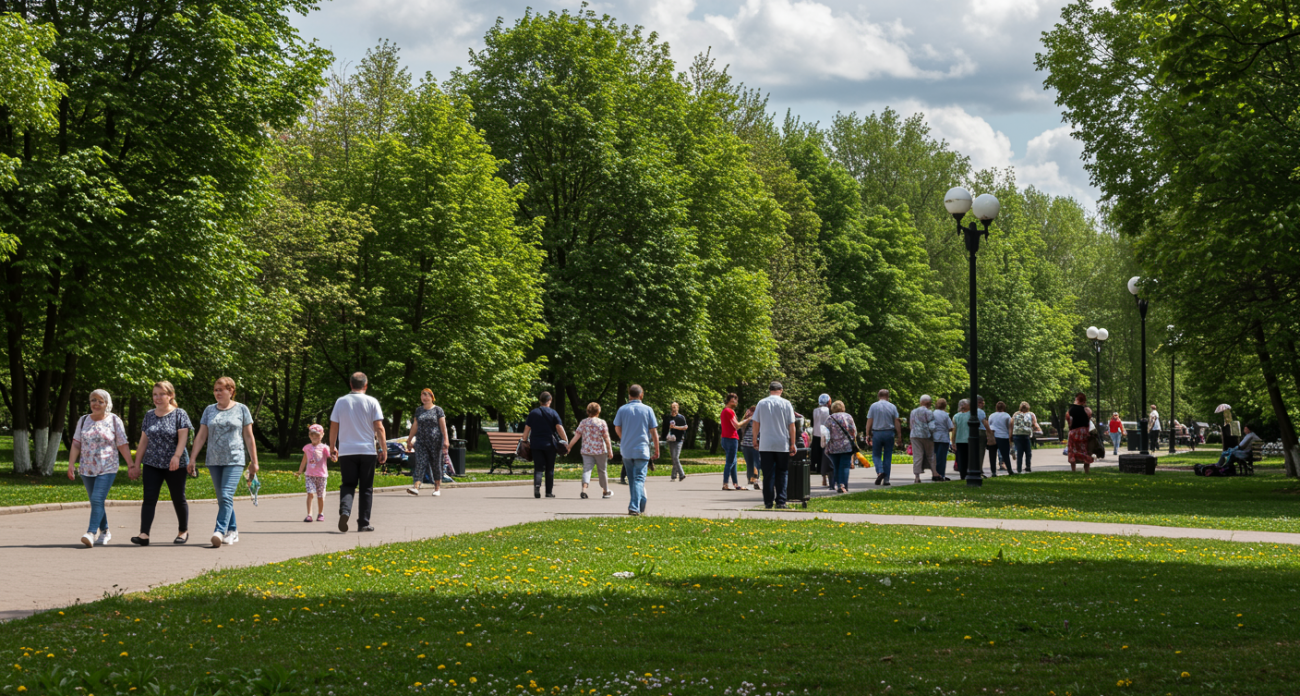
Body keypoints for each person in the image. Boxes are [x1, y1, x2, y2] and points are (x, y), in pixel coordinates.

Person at [189, 377, 260, 547]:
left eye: (221, 389)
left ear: (231, 391)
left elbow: (249, 437)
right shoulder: (209, 410)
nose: (218, 393)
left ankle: (219, 531)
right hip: (213, 460)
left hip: (235, 459)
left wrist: (254, 462)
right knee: (222, 498)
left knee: (226, 494)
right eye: (215, 390)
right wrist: (192, 458)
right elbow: (201, 435)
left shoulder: (242, 409)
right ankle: (233, 530)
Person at [131, 381, 194, 545]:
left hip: (175, 464)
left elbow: (183, 438)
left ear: (170, 395)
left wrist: (176, 456)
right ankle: (144, 534)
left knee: (178, 498)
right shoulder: (149, 415)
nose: (157, 398)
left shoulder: (179, 414)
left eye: (161, 394)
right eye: (154, 394)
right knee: (149, 498)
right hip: (152, 463)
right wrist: (136, 464)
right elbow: (143, 441)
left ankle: (183, 531)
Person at [67, 390, 132, 547]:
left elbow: (122, 444)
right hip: (87, 468)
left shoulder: (114, 420)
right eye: (93, 400)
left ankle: (90, 532)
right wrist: (71, 464)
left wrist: (131, 464)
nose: (95, 404)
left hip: (107, 467)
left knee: (97, 499)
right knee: (96, 501)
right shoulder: (83, 420)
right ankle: (105, 531)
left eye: (100, 401)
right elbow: (76, 443)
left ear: (107, 403)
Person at [328, 372, 386, 533]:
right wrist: (383, 449)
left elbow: (334, 426)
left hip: (347, 452)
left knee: (348, 484)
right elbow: (379, 428)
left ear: (350, 384)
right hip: (367, 451)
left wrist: (332, 447)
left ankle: (345, 511)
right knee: (366, 488)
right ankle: (363, 523)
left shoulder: (341, 402)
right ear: (366, 385)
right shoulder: (372, 401)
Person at [613, 384, 659, 515]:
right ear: (641, 395)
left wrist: (624, 437)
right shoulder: (648, 410)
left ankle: (641, 502)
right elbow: (654, 432)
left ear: (629, 395)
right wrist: (657, 449)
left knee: (633, 480)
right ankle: (634, 507)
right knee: (639, 479)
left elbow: (617, 427)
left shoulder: (622, 409)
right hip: (642, 449)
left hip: (627, 450)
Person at [753, 381, 796, 508]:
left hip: (766, 444)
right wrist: (792, 443)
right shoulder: (786, 403)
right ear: (781, 390)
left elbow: (756, 422)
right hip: (781, 443)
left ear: (769, 389)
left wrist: (755, 439)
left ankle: (768, 502)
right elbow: (791, 425)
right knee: (782, 472)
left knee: (768, 474)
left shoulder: (761, 403)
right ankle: (781, 501)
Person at [521, 392, 567, 499]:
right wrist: (565, 440)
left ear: (540, 400)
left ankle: (537, 488)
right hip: (550, 445)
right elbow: (559, 428)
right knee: (549, 468)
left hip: (536, 445)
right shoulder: (553, 413)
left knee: (538, 467)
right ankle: (548, 492)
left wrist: (524, 440)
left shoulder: (533, 413)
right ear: (550, 400)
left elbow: (527, 428)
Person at [404, 389, 449, 497]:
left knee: (436, 464)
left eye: (427, 396)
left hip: (435, 441)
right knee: (420, 463)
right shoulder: (419, 410)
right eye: (422, 396)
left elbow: (443, 427)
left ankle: (437, 487)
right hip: (421, 441)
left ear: (431, 397)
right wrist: (409, 439)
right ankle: (416, 487)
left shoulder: (438, 410)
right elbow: (415, 425)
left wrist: (446, 440)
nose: (424, 398)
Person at [570, 402, 614, 499]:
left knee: (587, 470)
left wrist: (569, 446)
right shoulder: (602, 422)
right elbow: (607, 438)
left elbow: (576, 436)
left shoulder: (583, 422)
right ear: (599, 411)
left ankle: (584, 490)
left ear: (587, 411)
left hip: (586, 451)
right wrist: (610, 450)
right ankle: (605, 491)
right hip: (600, 451)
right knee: (602, 471)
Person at [295, 424, 335, 521]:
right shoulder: (307, 448)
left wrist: (334, 457)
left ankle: (320, 513)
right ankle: (309, 514)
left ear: (322, 435)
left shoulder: (324, 447)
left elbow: (332, 457)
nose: (315, 438)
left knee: (320, 496)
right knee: (310, 494)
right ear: (309, 436)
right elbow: (304, 460)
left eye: (317, 436)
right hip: (309, 475)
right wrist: (300, 471)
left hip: (321, 475)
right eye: (313, 436)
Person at [865, 389, 902, 486]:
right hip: (889, 433)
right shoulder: (892, 407)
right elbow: (896, 422)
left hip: (877, 433)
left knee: (876, 454)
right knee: (887, 456)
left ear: (878, 396)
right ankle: (886, 480)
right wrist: (899, 436)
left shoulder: (873, 406)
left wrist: (867, 433)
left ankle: (880, 471)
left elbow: (870, 420)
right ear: (888, 396)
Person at [824, 400, 857, 493]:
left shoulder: (829, 418)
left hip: (833, 447)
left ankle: (839, 485)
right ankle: (844, 486)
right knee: (845, 466)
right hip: (846, 446)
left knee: (836, 466)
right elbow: (853, 431)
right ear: (843, 408)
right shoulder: (848, 417)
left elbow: (825, 433)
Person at [909, 395, 936, 484]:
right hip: (926, 436)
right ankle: (934, 473)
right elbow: (932, 426)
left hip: (914, 435)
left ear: (921, 402)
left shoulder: (913, 411)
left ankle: (917, 477)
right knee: (930, 455)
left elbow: (911, 424)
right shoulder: (929, 412)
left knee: (917, 456)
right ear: (929, 403)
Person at [1066, 392, 1094, 473]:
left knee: (1072, 450)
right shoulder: (1087, 410)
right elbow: (1088, 420)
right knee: (1084, 449)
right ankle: (1087, 470)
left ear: (1076, 399)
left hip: (1074, 431)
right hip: (1084, 431)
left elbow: (1068, 420)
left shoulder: (1071, 410)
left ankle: (1073, 470)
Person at [719, 394, 742, 491]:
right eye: (733, 401)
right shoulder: (729, 411)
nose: (735, 402)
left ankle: (735, 484)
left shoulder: (725, 411)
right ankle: (725, 484)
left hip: (725, 438)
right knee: (730, 462)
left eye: (735, 400)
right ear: (728, 401)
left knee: (734, 461)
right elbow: (737, 426)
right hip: (731, 439)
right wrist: (748, 419)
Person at [1011, 402, 1041, 473]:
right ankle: (1028, 467)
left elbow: (1011, 424)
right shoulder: (1031, 414)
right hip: (1026, 435)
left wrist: (1011, 435)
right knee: (1028, 452)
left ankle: (1019, 468)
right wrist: (1038, 429)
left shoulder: (1016, 414)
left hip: (1017, 435)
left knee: (1019, 452)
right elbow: (1034, 423)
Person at [664, 402, 688, 481]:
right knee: (673, 458)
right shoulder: (668, 417)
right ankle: (673, 476)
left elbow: (685, 427)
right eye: (672, 407)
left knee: (675, 457)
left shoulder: (681, 417)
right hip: (671, 439)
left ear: (678, 407)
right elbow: (665, 427)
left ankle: (681, 474)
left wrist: (675, 427)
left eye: (675, 407)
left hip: (679, 439)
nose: (673, 408)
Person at [988, 401, 1014, 475]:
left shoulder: (991, 415)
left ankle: (993, 471)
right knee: (1005, 454)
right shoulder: (1006, 415)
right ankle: (1009, 470)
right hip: (1003, 436)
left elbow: (990, 425)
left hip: (993, 436)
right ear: (1004, 407)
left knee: (992, 455)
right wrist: (1010, 437)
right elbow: (1009, 427)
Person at [931, 398, 953, 482]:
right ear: (945, 406)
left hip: (934, 437)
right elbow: (951, 427)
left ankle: (934, 473)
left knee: (934, 457)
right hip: (943, 438)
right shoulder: (945, 415)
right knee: (942, 457)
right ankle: (941, 474)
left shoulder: (932, 414)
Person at [811, 394, 831, 488]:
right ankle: (825, 475)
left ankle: (817, 469)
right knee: (825, 456)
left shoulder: (815, 410)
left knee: (817, 455)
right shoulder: (828, 410)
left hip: (816, 434)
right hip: (825, 435)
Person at [739, 405, 759, 490]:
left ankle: (755, 480)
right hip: (746, 445)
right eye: (751, 411)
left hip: (756, 445)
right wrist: (747, 418)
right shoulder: (747, 420)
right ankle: (750, 481)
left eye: (754, 411)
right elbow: (740, 427)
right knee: (749, 464)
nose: (753, 413)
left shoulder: (760, 420)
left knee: (756, 464)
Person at [952, 399, 971, 479]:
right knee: (969, 458)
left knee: (961, 458)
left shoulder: (956, 416)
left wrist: (953, 441)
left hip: (959, 440)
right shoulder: (972, 415)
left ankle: (962, 475)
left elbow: (954, 430)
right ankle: (968, 473)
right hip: (969, 440)